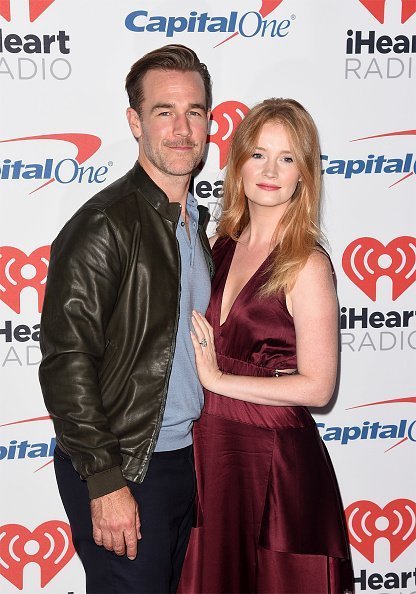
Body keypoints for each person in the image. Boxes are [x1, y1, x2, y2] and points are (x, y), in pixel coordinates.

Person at [38, 44, 214, 594]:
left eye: (195, 111)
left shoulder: (192, 222)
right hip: (126, 465)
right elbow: (67, 360)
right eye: (165, 111)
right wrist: (105, 480)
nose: (182, 128)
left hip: (183, 459)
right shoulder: (105, 224)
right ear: (135, 121)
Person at [178, 98, 354, 594]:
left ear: (305, 173)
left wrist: (218, 379)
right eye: (258, 154)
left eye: (287, 157)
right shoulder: (220, 244)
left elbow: (318, 388)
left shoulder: (307, 263)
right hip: (209, 449)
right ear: (237, 164)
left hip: (274, 460)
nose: (270, 170)